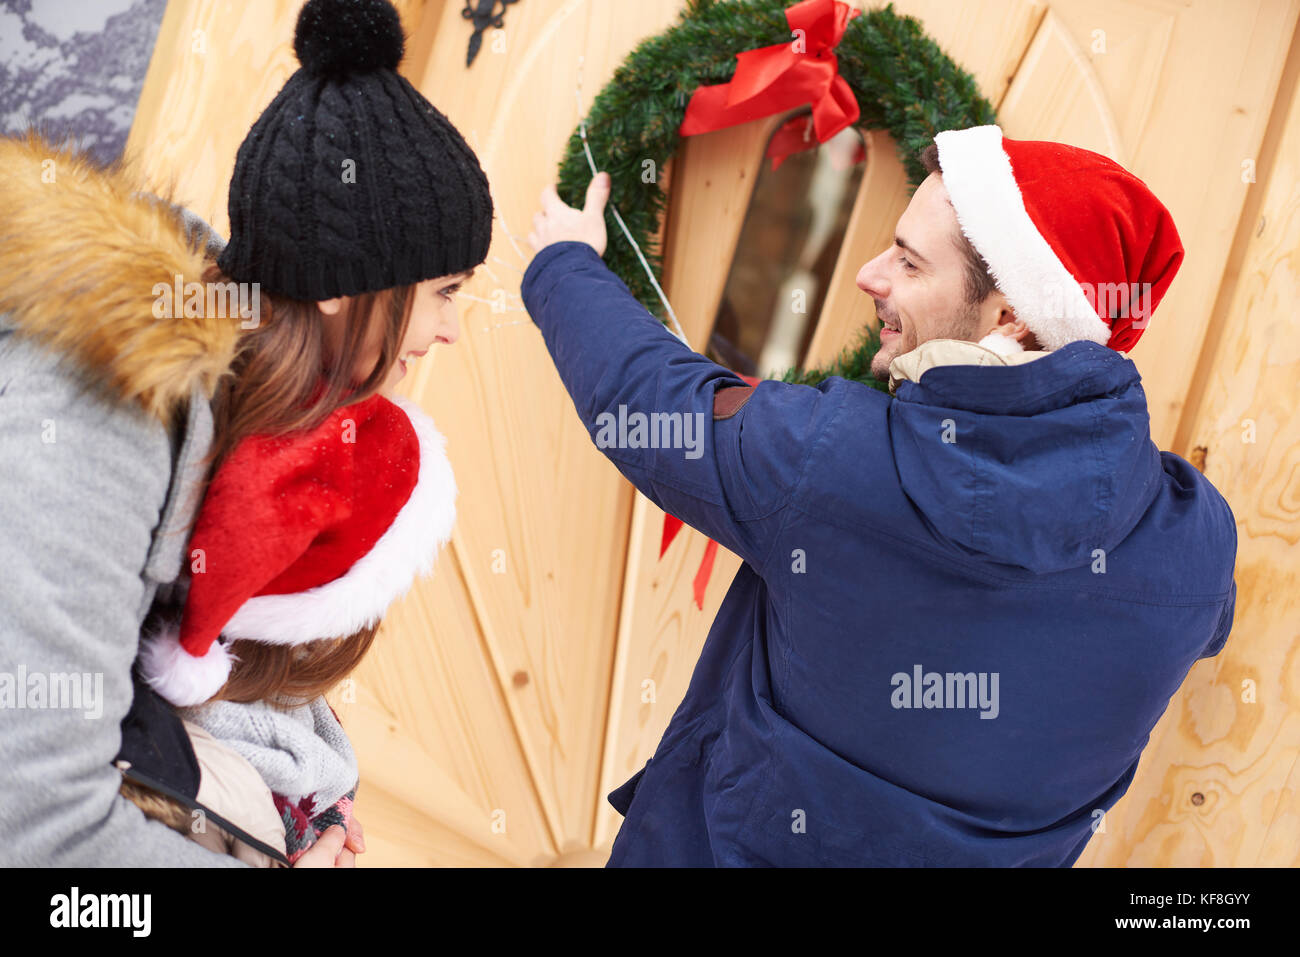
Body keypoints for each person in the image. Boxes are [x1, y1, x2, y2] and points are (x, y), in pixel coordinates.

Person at [522, 125, 1238, 866]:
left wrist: (564, 264)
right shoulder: (1196, 547)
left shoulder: (830, 461)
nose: (870, 273)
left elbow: (651, 404)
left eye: (908, 260)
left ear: (1011, 316)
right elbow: (1203, 621)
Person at [0, 0, 493, 866]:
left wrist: (302, 805)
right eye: (446, 290)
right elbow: (36, 825)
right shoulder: (100, 415)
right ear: (344, 285)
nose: (451, 328)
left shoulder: (253, 392)